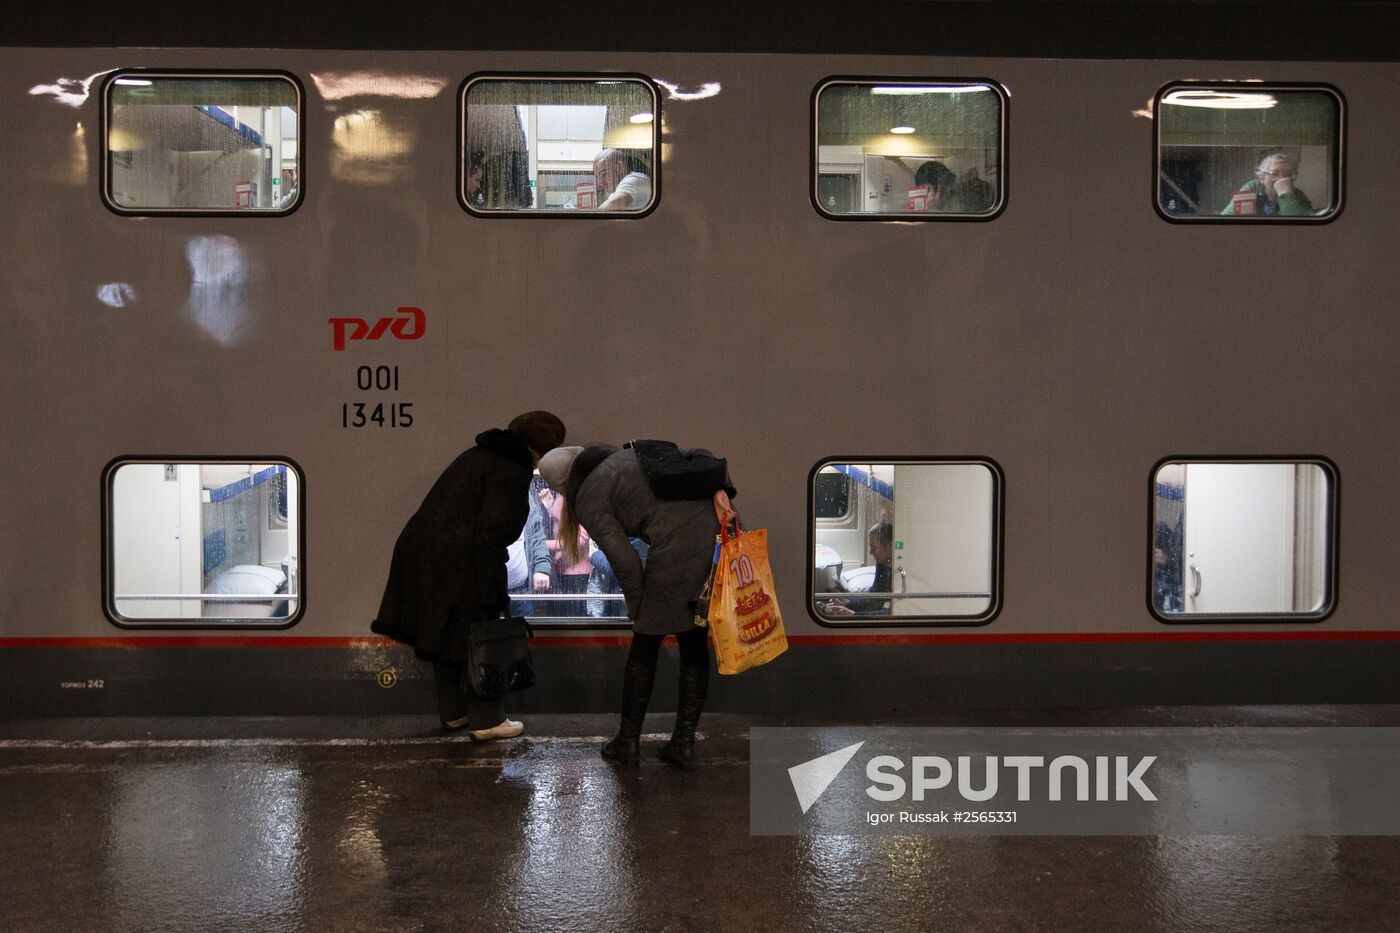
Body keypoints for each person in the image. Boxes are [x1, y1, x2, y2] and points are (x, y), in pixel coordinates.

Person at [539, 443, 737, 768]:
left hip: (678, 549)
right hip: (717, 535)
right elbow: (698, 453)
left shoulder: (587, 495)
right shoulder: (623, 456)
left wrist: (638, 609)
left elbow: (625, 562)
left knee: (644, 644)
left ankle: (627, 742)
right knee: (693, 638)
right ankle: (683, 743)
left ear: (561, 485)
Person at [371, 411, 566, 740]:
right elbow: (493, 532)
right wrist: (492, 589)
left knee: (444, 633)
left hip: (426, 555)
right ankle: (487, 720)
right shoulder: (512, 470)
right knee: (480, 633)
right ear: (540, 449)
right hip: (461, 559)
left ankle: (455, 713)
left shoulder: (479, 455)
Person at [823, 521, 894, 617]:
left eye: (874, 547)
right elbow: (873, 601)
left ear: (889, 547)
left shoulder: (899, 574)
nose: (870, 552)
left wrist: (853, 614)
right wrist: (845, 606)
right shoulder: (882, 566)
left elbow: (889, 613)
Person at [1220, 151, 1316, 217]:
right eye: (1275, 174)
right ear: (1262, 178)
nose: (1281, 178)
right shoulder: (1252, 188)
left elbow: (1301, 227)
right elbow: (1228, 217)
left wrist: (1286, 195)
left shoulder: (1297, 195)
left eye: (1288, 174)